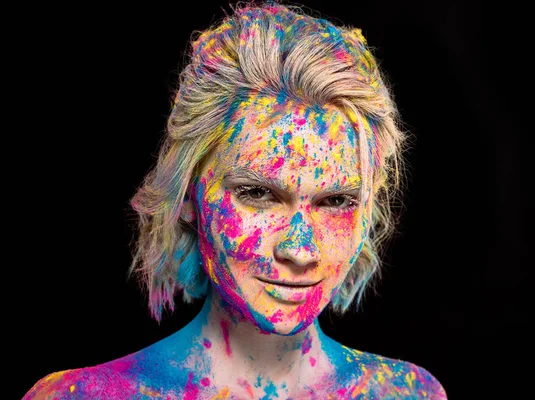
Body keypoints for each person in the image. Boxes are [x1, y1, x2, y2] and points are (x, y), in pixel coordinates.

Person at [24, 1, 447, 398]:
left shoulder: (407, 392)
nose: (300, 250)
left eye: (336, 201)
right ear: (189, 192)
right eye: (258, 194)